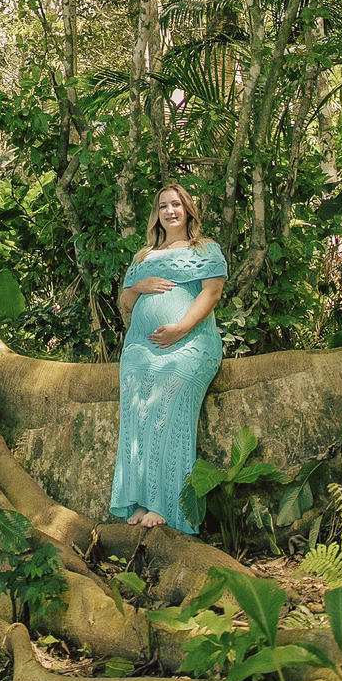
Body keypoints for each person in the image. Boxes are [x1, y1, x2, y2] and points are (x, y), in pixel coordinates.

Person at [109, 183, 227, 533]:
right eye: (163, 206)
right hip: (141, 349)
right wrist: (137, 288)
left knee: (170, 399)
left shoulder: (205, 249)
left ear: (188, 210)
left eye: (176, 204)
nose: (170, 211)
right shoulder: (143, 256)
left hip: (191, 343)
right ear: (156, 214)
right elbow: (125, 304)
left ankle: (165, 502)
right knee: (136, 409)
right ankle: (140, 498)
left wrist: (180, 329)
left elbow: (212, 293)